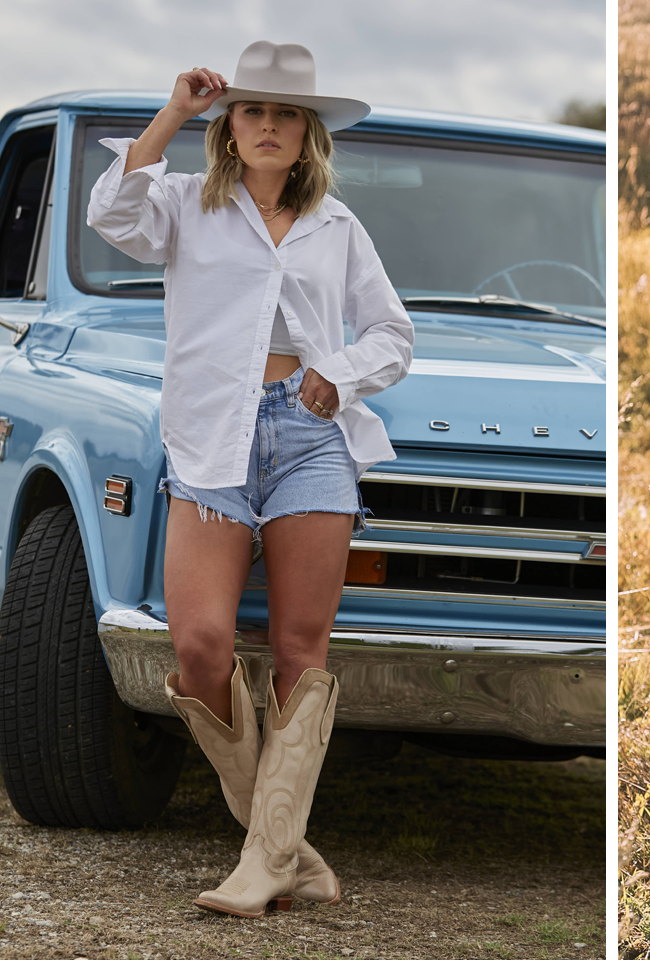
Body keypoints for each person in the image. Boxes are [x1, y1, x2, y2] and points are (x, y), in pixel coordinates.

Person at [87, 40, 413, 917]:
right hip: (208, 441)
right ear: (230, 126)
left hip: (311, 439)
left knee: (301, 653)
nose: (269, 126)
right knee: (199, 650)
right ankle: (286, 848)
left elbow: (393, 333)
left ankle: (260, 866)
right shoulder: (184, 206)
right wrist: (173, 113)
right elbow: (110, 213)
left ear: (308, 135)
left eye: (286, 115)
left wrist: (338, 373)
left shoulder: (338, 226)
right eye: (252, 111)